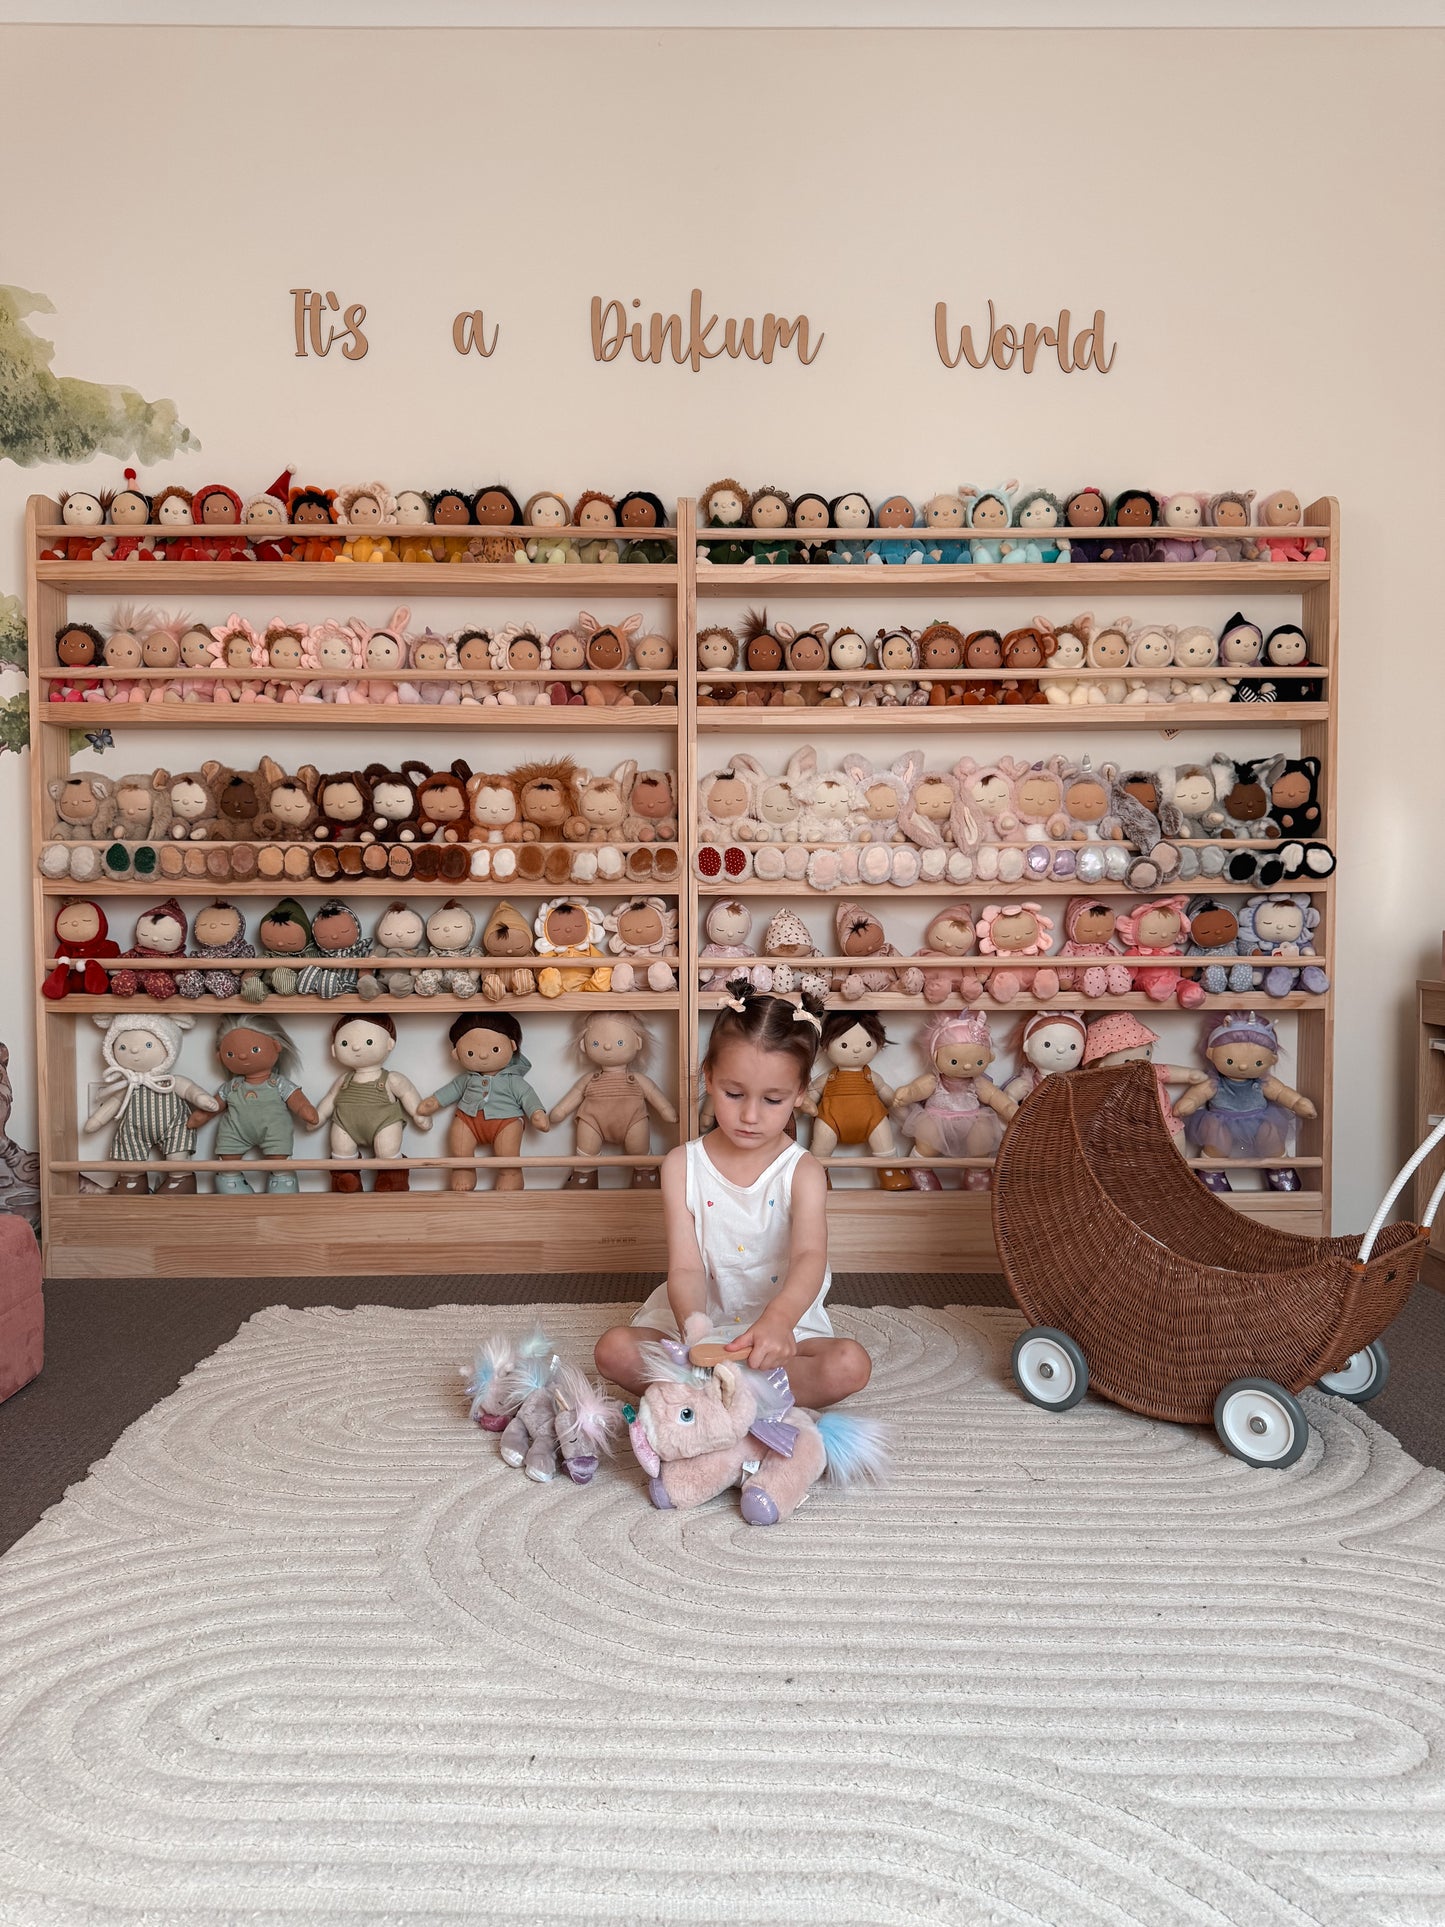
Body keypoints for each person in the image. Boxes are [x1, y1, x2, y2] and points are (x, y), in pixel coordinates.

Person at [594, 981, 871, 1408]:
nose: (750, 1116)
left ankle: (714, 1399)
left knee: (849, 1365)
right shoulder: (681, 1166)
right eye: (734, 1094)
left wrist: (778, 1322)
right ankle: (733, 1396)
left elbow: (809, 1259)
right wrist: (696, 1331)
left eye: (773, 1099)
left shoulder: (803, 1172)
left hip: (779, 1333)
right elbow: (685, 1267)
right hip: (698, 1326)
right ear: (708, 1076)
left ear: (799, 1094)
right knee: (612, 1349)